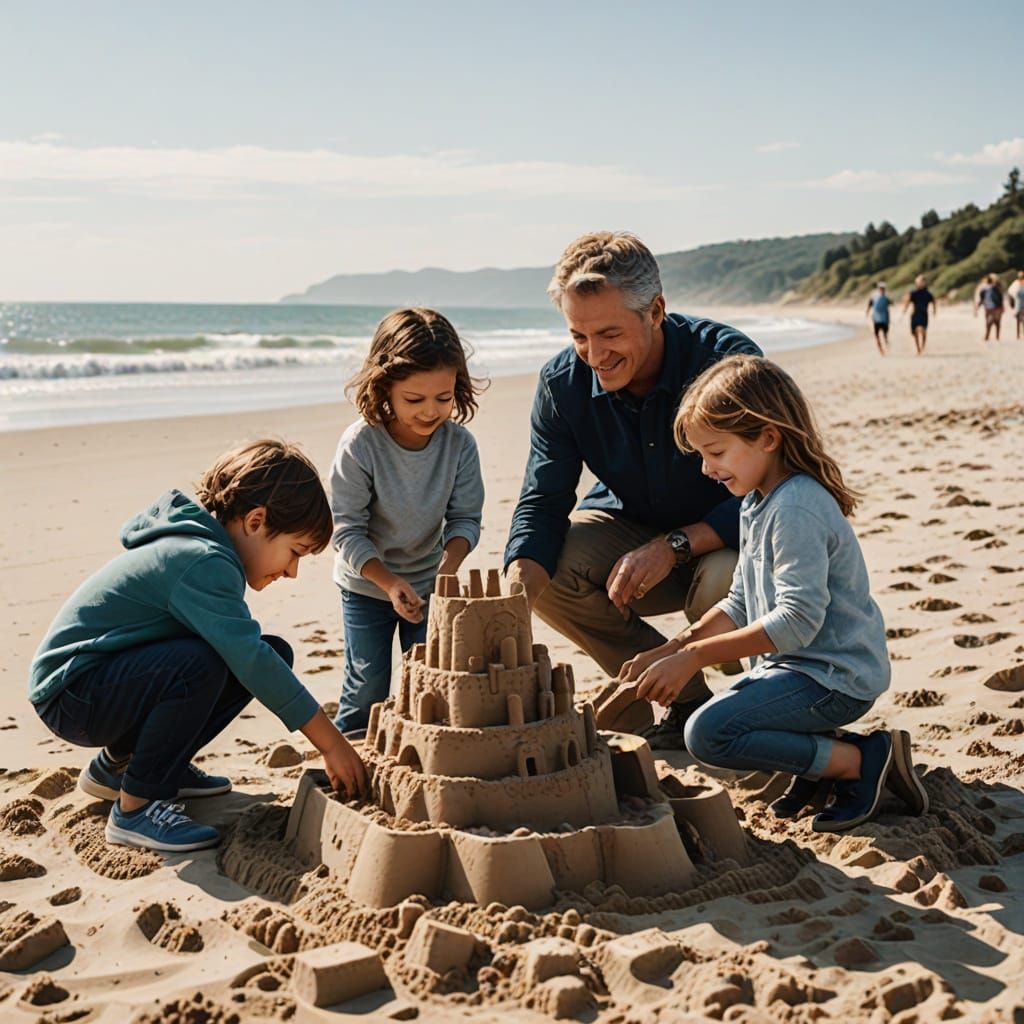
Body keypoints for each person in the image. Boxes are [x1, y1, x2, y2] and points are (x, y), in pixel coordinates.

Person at [619, 355, 928, 831]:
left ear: (767, 437)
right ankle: (816, 770)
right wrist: (672, 648)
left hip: (835, 676)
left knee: (708, 732)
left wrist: (695, 659)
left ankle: (861, 761)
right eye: (702, 455)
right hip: (796, 669)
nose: (705, 469)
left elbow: (796, 622)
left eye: (716, 452)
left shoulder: (797, 508)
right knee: (726, 708)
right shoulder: (756, 502)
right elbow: (740, 602)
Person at [29, 440, 368, 853]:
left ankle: (119, 767)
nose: (292, 572)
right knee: (207, 663)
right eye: (294, 552)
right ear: (256, 521)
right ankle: (136, 809)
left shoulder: (204, 550)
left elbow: (254, 657)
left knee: (266, 652)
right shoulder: (202, 560)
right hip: (73, 692)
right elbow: (249, 660)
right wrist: (331, 743)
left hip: (99, 684)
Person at [504, 231, 761, 748]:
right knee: (548, 566)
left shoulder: (728, 364)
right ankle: (685, 698)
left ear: (656, 310)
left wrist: (676, 545)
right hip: (628, 530)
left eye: (609, 333)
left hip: (728, 545)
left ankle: (760, 708)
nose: (594, 354)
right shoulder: (561, 384)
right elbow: (543, 500)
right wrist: (512, 602)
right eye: (578, 336)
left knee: (721, 582)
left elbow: (777, 489)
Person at [331, 308, 485, 736]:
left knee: (427, 686)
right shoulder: (361, 445)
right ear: (384, 388)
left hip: (430, 582)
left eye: (444, 397)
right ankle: (351, 754)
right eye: (414, 400)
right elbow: (345, 529)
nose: (431, 412)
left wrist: (447, 568)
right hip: (366, 585)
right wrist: (388, 583)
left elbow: (466, 519)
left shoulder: (459, 445)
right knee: (367, 685)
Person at [903, 274, 936, 355]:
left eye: (922, 281)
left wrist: (934, 311)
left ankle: (922, 347)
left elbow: (933, 301)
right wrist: (905, 309)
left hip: (924, 314)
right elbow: (908, 301)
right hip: (914, 314)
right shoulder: (913, 293)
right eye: (918, 282)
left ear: (925, 283)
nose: (920, 283)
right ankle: (918, 348)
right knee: (914, 333)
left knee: (922, 330)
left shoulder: (927, 293)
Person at [974, 273, 1004, 342]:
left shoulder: (984, 289)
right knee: (997, 323)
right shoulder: (996, 288)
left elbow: (981, 300)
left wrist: (976, 308)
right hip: (997, 308)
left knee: (988, 323)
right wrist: (1002, 307)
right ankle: (997, 338)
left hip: (988, 308)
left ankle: (987, 337)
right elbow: (1000, 298)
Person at [865, 282, 891, 355]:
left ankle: (886, 345)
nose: (882, 290)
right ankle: (881, 350)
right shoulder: (874, 298)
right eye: (880, 289)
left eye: (883, 289)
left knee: (885, 334)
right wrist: (867, 312)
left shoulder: (886, 298)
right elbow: (869, 305)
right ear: (878, 289)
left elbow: (891, 303)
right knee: (877, 336)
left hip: (885, 319)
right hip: (876, 319)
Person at [1009, 269, 1024, 341]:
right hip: (1018, 304)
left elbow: (1010, 294)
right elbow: (1011, 294)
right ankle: (1018, 335)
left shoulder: (1015, 283)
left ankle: (1019, 335)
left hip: (1018, 304)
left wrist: (1011, 304)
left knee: (1019, 320)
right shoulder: (1016, 283)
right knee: (1019, 320)